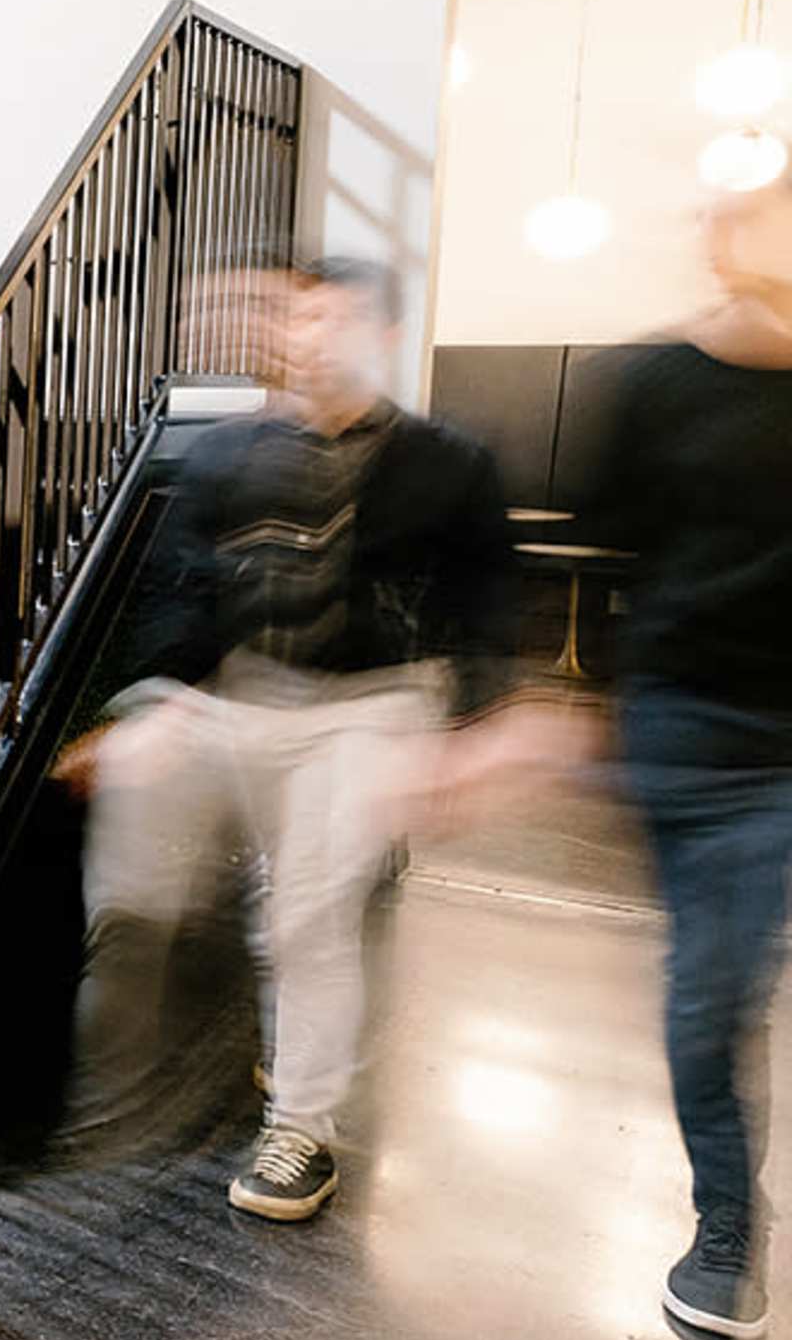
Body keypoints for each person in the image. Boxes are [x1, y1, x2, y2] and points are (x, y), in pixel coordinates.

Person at [64, 257, 520, 1222]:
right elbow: (176, 589)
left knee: (304, 919)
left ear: (385, 335)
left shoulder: (449, 461)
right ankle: (112, 1097)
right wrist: (154, 702)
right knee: (131, 889)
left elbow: (484, 610)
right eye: (301, 321)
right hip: (240, 695)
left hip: (371, 701)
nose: (310, 339)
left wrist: (465, 731)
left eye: (338, 321)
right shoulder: (229, 453)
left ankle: (302, 1126)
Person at [546, 169, 792, 1340]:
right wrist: (582, 717)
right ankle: (734, 1222)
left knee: (712, 997)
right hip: (682, 731)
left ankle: (725, 1246)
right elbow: (616, 547)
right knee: (709, 999)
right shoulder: (655, 383)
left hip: (782, 753)